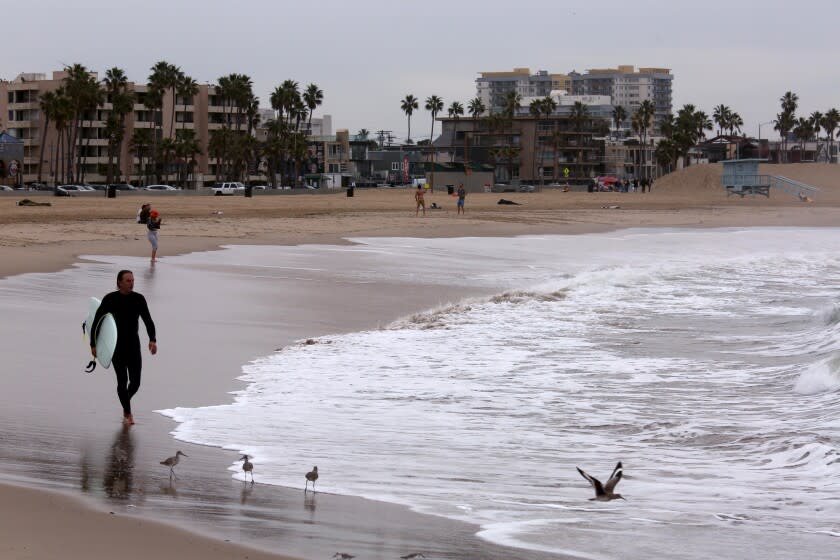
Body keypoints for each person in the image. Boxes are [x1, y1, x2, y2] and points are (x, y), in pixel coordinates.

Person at [91, 270, 157, 425]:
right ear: (119, 282)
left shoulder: (138, 299)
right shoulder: (110, 299)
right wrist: (93, 344)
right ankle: (128, 413)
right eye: (128, 280)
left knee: (136, 382)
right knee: (122, 381)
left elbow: (148, 320)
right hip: (116, 347)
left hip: (134, 346)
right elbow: (97, 321)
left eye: (133, 280)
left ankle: (124, 401)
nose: (131, 283)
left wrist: (152, 339)